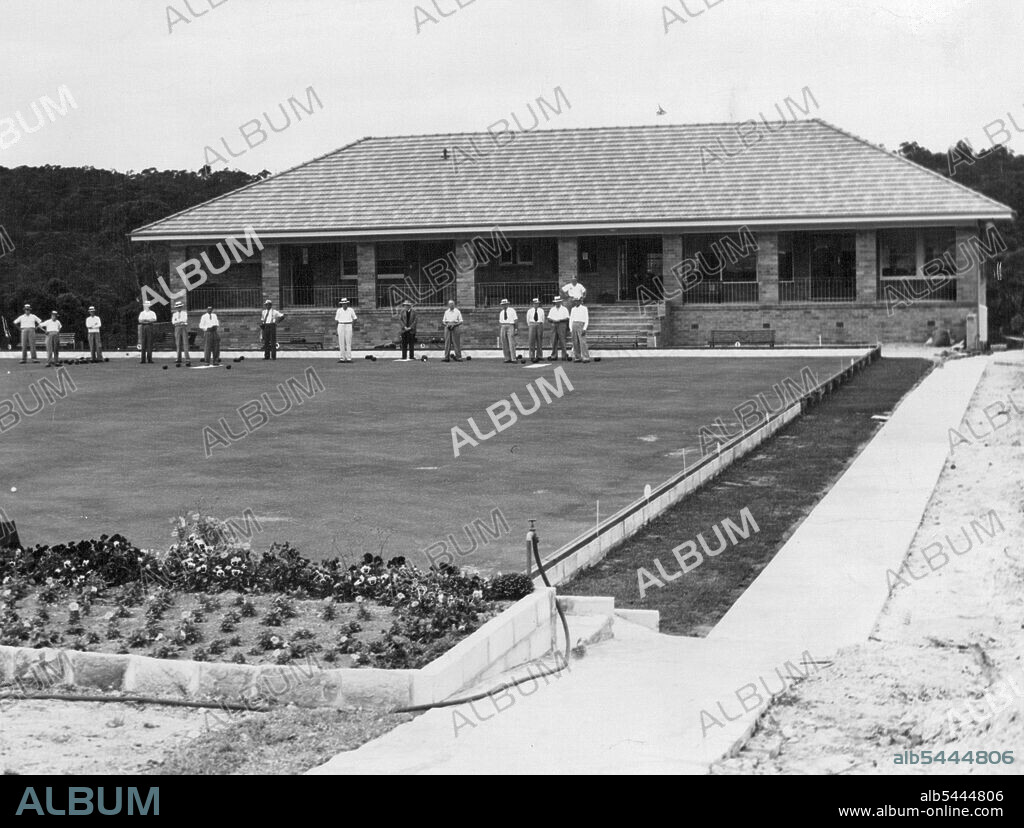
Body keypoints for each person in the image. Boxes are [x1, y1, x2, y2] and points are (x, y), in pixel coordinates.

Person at [547, 296, 570, 361]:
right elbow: (549, 318)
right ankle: (554, 355)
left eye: (558, 302)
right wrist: (553, 320)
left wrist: (560, 320)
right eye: (556, 302)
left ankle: (564, 355)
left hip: (561, 324)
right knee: (554, 340)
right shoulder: (552, 309)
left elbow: (567, 318)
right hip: (554, 324)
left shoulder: (564, 309)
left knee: (562, 340)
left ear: (560, 302)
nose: (557, 303)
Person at [335, 298, 357, 363]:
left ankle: (349, 358)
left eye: (345, 304)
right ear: (341, 304)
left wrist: (352, 326)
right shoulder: (339, 310)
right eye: (343, 304)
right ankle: (342, 358)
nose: (344, 305)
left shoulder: (351, 310)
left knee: (348, 342)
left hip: (348, 325)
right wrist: (337, 329)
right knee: (341, 342)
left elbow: (355, 318)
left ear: (347, 304)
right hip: (340, 325)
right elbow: (336, 320)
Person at [569, 298, 590, 363]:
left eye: (577, 301)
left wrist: (584, 328)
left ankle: (585, 357)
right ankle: (577, 357)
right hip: (574, 324)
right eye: (575, 301)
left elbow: (586, 318)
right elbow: (571, 319)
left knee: (582, 342)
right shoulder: (573, 309)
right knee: (575, 342)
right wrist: (571, 328)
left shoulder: (584, 308)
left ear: (580, 301)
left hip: (581, 324)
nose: (576, 302)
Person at [526, 297, 545, 363]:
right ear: (532, 304)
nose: (536, 305)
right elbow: (527, 320)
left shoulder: (541, 310)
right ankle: (532, 356)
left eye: (537, 303)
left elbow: (543, 319)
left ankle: (539, 355)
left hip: (539, 324)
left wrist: (540, 324)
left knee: (539, 340)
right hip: (532, 324)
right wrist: (531, 325)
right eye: (535, 303)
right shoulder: (530, 311)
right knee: (531, 341)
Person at [498, 298, 518, 363]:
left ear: (507, 304)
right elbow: (500, 322)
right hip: (503, 326)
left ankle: (513, 358)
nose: (504, 306)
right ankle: (507, 358)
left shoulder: (512, 310)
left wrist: (516, 329)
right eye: (503, 305)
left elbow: (515, 320)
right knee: (504, 343)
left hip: (510, 325)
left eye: (505, 304)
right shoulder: (501, 312)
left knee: (511, 342)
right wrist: (501, 328)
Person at [171, 301, 191, 367]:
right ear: (176, 308)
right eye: (177, 307)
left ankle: (187, 359)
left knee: (185, 343)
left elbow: (185, 320)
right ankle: (178, 358)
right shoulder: (174, 314)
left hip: (183, 327)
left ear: (181, 307)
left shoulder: (184, 313)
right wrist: (180, 321)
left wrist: (178, 321)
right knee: (178, 343)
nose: (179, 308)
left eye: (180, 307)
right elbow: (173, 322)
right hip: (177, 328)